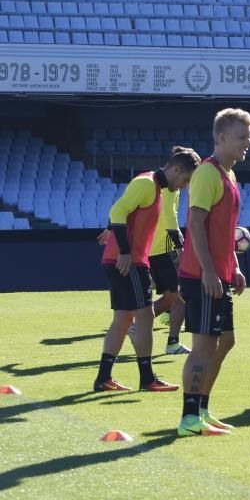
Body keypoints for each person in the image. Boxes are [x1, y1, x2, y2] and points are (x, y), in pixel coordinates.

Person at [92, 147, 200, 392]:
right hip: (128, 261)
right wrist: (125, 252)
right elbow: (117, 210)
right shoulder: (146, 184)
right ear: (175, 169)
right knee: (144, 316)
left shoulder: (154, 187)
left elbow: (123, 212)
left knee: (123, 319)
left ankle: (103, 378)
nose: (184, 186)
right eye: (185, 179)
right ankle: (147, 378)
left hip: (127, 260)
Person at [175, 108, 250, 437]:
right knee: (204, 346)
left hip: (220, 273)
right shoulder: (208, 173)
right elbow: (194, 222)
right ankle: (189, 417)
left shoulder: (230, 175)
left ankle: (202, 408)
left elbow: (225, 229)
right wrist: (209, 271)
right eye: (242, 137)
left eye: (249, 137)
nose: (247, 143)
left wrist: (233, 265)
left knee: (225, 341)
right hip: (201, 275)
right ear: (220, 138)